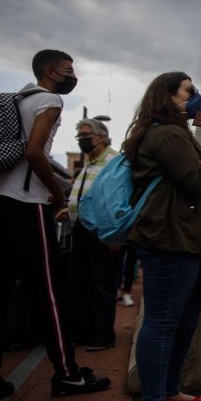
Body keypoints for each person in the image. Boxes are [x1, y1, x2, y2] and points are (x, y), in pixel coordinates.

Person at [0, 49, 111, 399]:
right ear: (49, 71)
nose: (72, 74)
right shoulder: (49, 100)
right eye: (67, 69)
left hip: (0, 203)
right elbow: (34, 152)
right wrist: (56, 195)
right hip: (27, 203)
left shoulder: (15, 100)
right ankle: (67, 373)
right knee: (50, 291)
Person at [122, 72, 201, 401]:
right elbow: (198, 182)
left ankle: (168, 390)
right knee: (163, 320)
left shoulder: (167, 133)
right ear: (168, 97)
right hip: (168, 237)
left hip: (179, 235)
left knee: (183, 318)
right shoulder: (166, 134)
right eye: (189, 91)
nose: (196, 97)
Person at [60, 118, 124, 351]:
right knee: (79, 282)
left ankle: (103, 335)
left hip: (102, 231)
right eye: (80, 137)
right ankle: (85, 331)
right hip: (82, 229)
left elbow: (119, 197)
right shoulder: (90, 163)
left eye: (86, 135)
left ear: (101, 136)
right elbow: (88, 196)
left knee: (101, 283)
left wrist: (117, 235)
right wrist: (69, 211)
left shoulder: (114, 161)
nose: (83, 140)